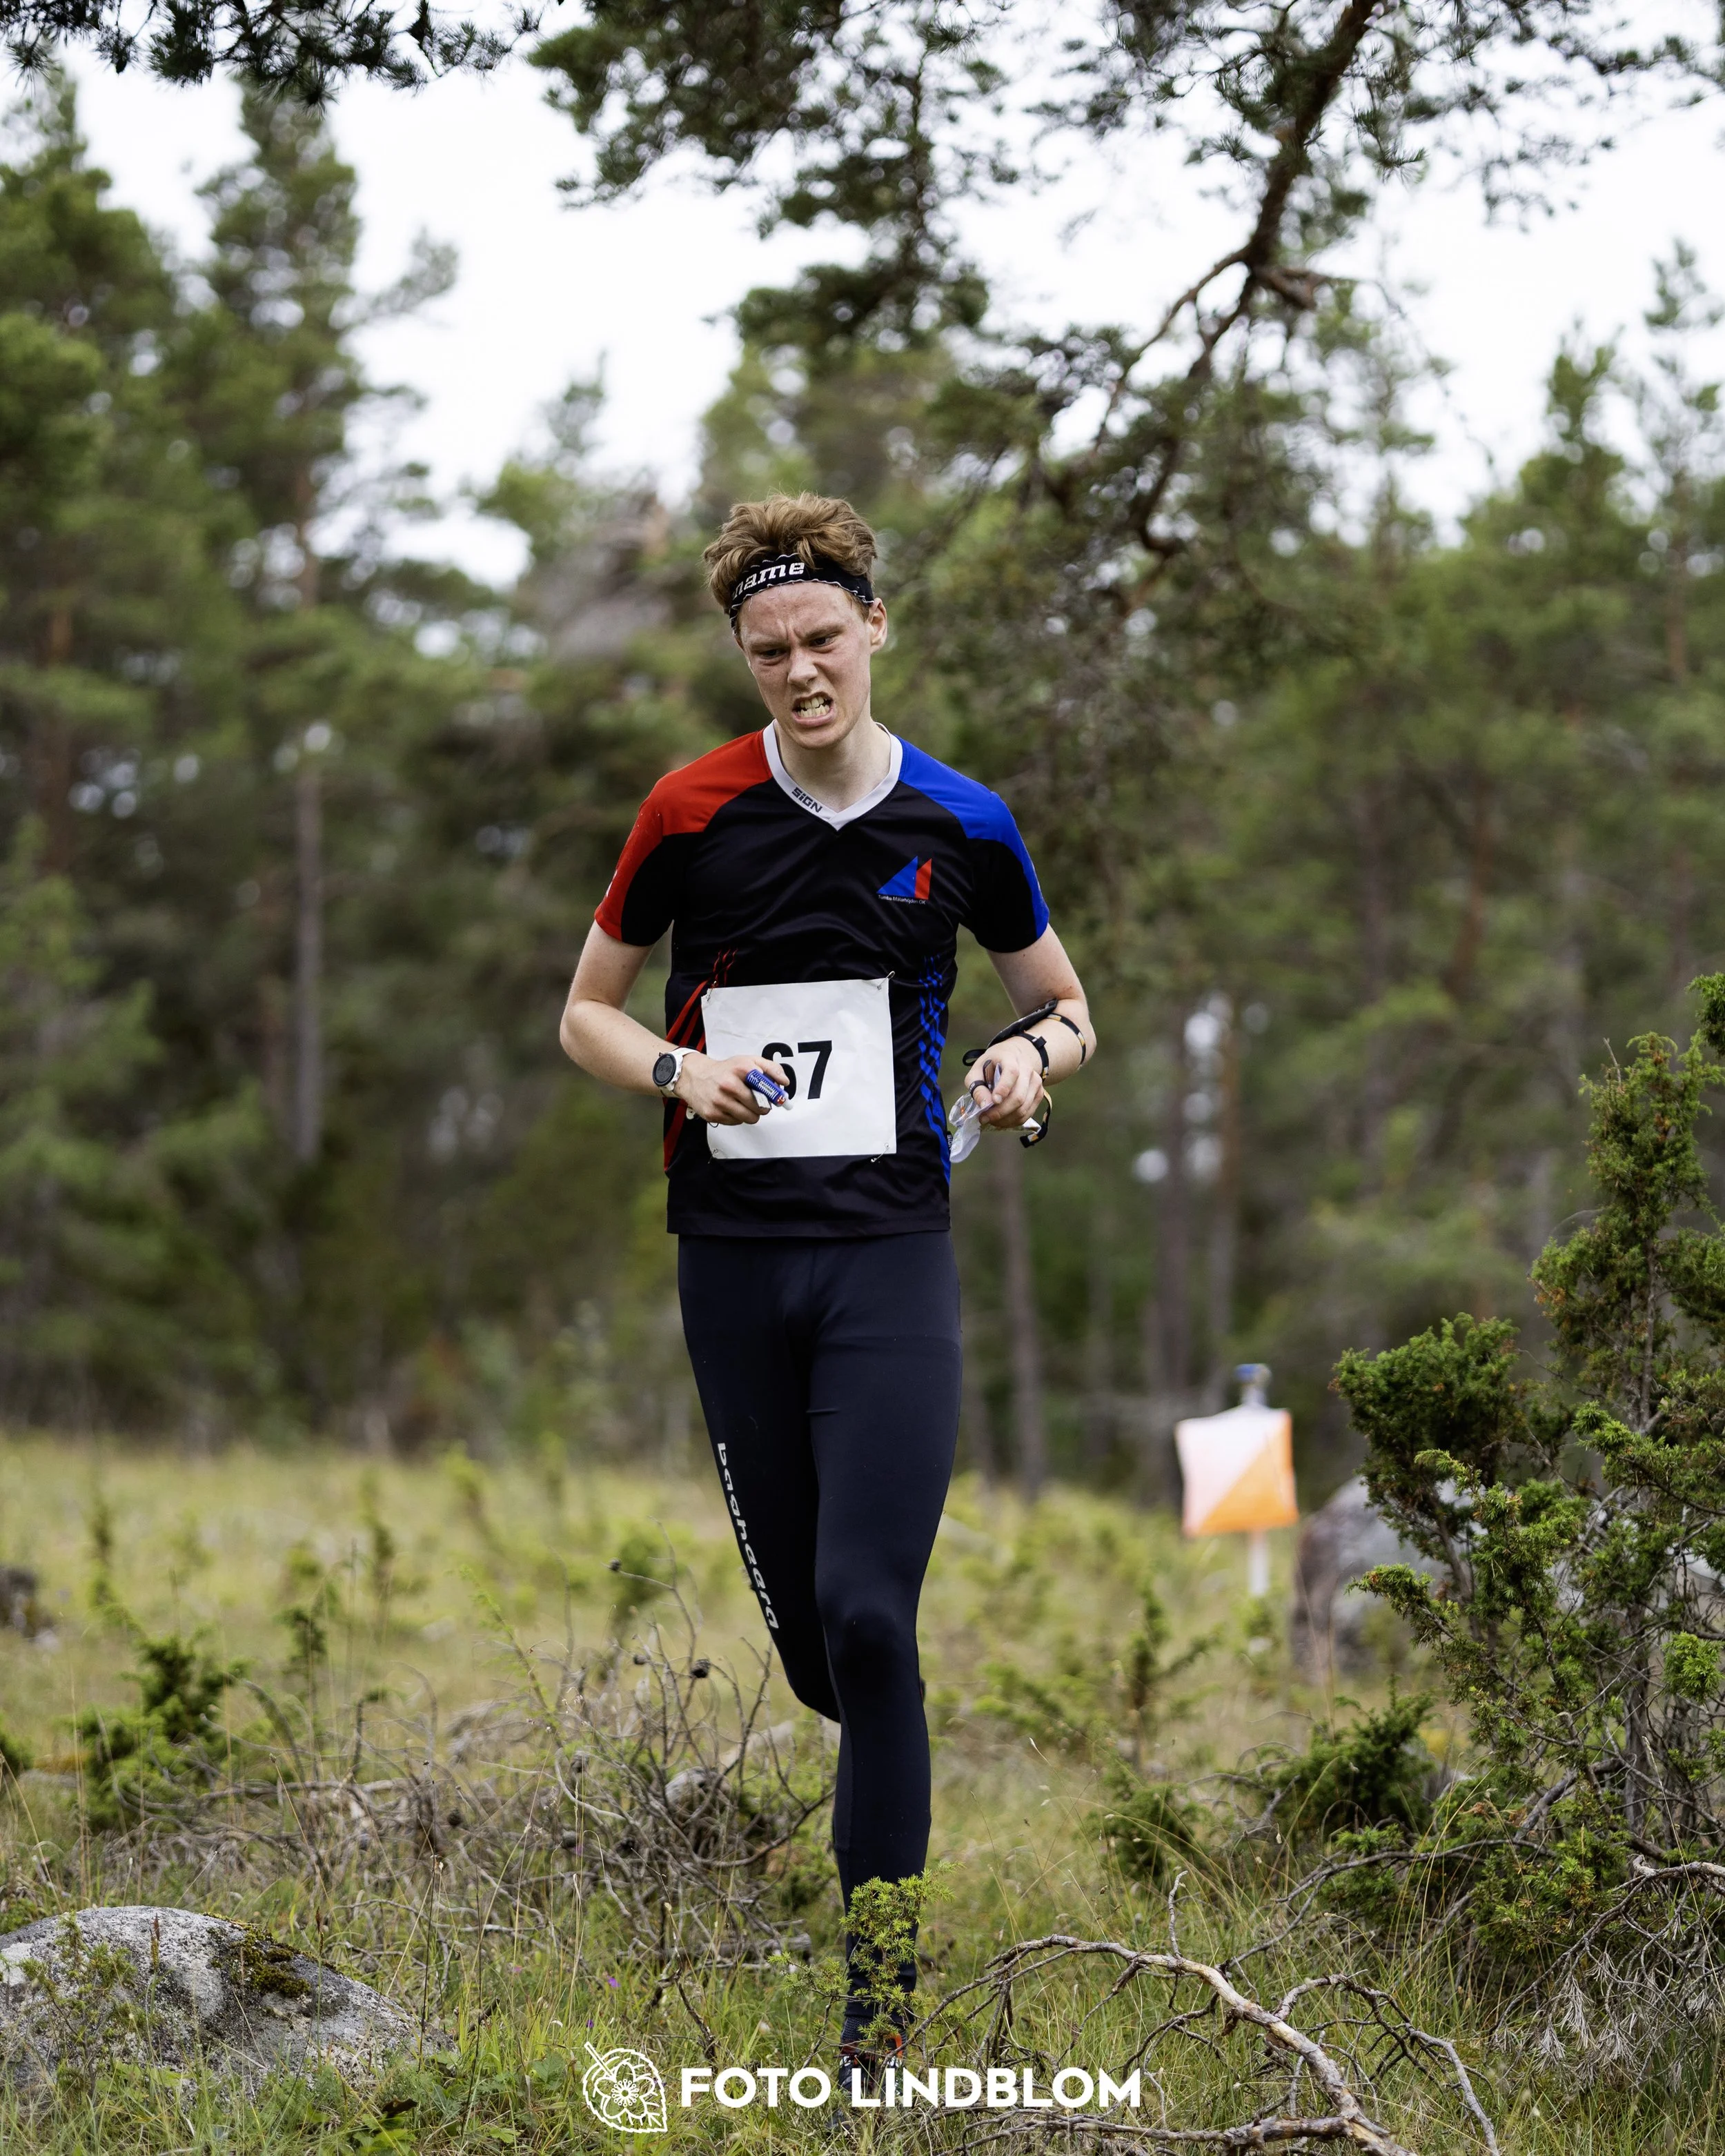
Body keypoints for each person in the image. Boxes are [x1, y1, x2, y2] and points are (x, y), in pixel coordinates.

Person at [559, 492, 1095, 2079]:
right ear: (744, 656)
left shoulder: (962, 822)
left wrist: (1019, 1059)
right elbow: (581, 1012)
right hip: (729, 1265)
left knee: (872, 1620)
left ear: (876, 627)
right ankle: (856, 1799)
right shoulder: (688, 811)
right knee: (809, 1650)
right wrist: (673, 1063)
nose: (799, 671)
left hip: (886, 1259)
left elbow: (1065, 1005)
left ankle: (881, 2023)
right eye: (767, 648)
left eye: (821, 638)